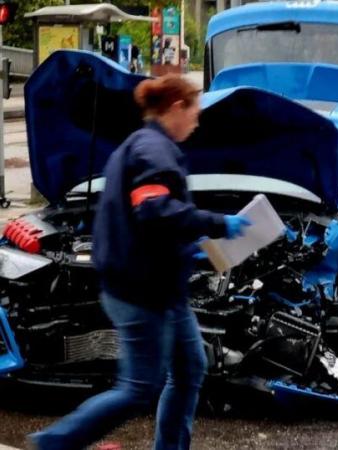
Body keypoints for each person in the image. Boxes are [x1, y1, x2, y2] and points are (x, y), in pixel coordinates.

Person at [27, 75, 250, 450]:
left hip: (161, 288)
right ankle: (56, 441)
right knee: (139, 388)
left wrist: (190, 247)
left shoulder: (140, 145)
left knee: (189, 369)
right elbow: (153, 209)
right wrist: (218, 223)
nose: (198, 120)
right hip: (140, 292)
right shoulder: (153, 149)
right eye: (195, 110)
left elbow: (148, 221)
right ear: (177, 107)